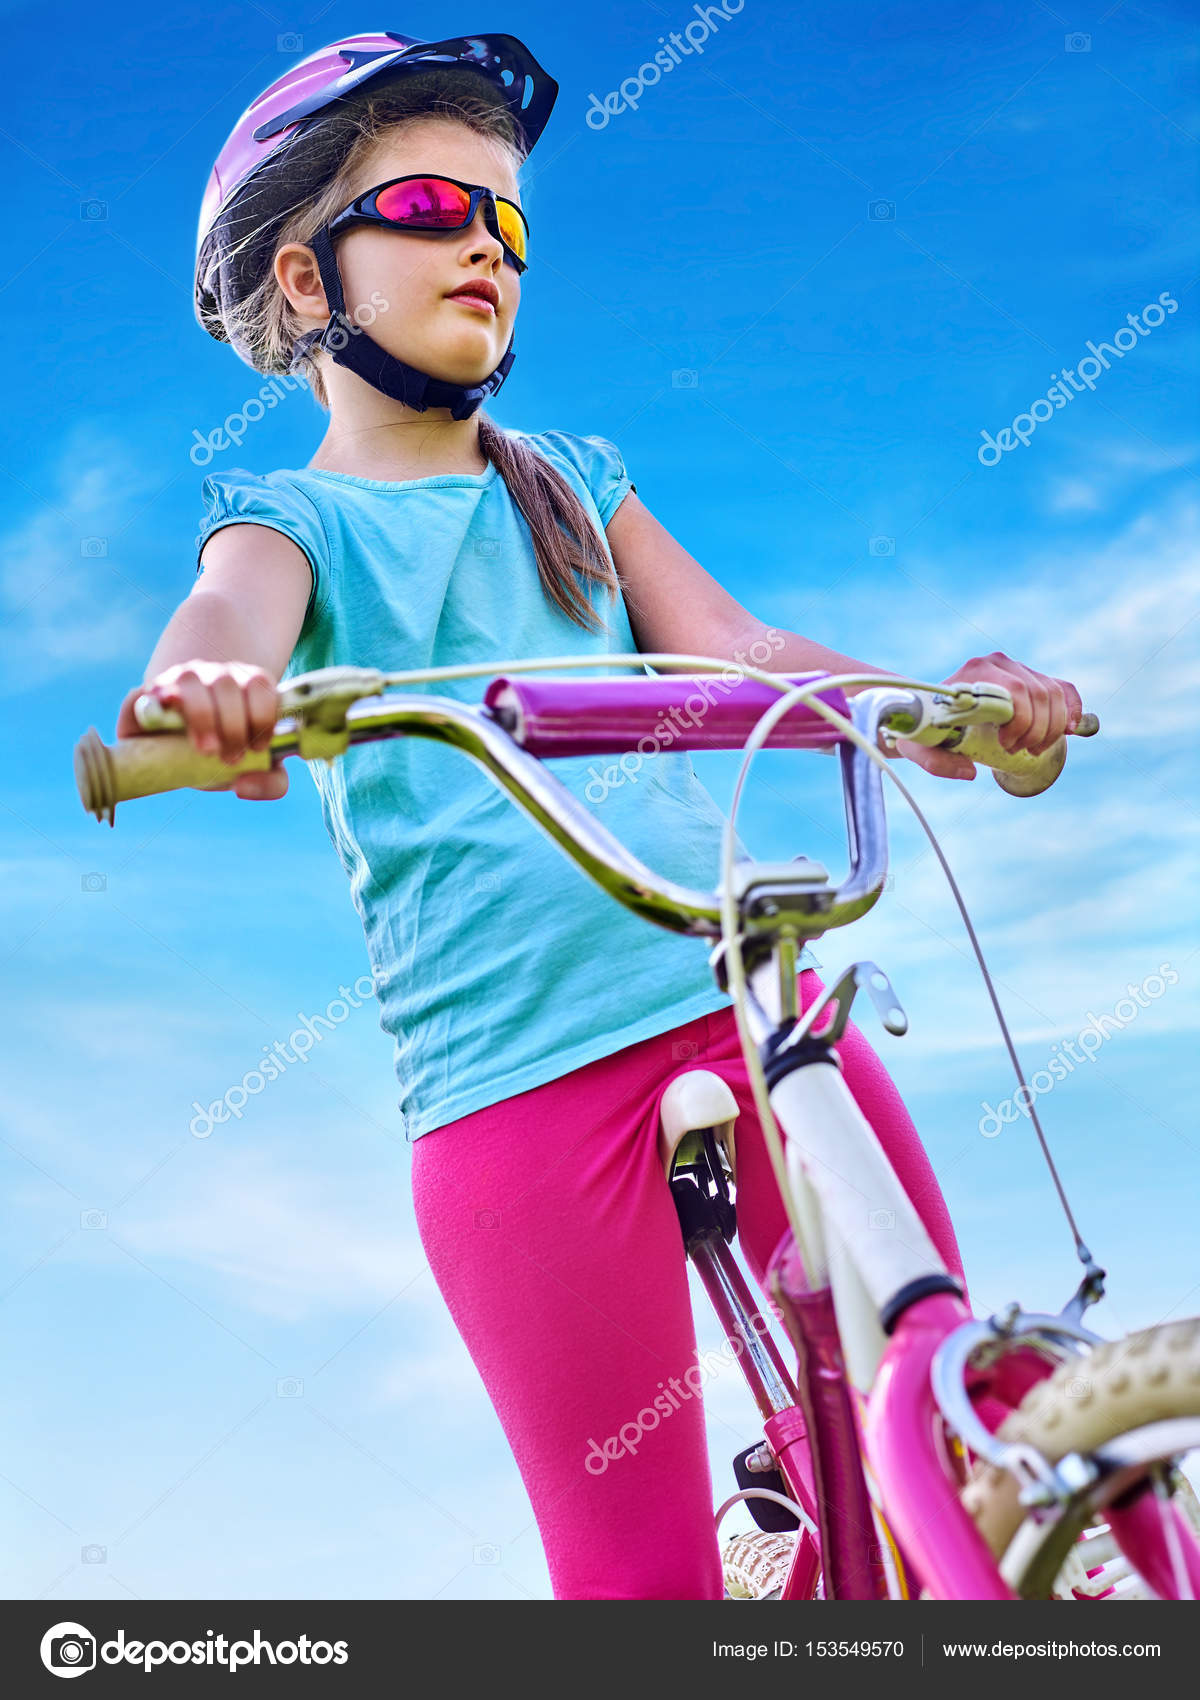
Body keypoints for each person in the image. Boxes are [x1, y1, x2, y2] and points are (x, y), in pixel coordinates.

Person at [116, 30, 1083, 1599]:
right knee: (632, 1576)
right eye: (432, 206)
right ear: (306, 282)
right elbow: (224, 618)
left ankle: (843, 1511)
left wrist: (948, 710)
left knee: (936, 1420)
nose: (487, 248)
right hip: (512, 1083)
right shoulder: (293, 519)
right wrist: (202, 699)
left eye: (509, 222)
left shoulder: (570, 480)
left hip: (740, 1009)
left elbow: (756, 656)